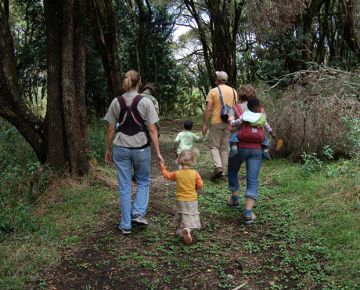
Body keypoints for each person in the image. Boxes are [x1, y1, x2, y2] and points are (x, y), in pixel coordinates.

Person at [104, 69, 164, 235]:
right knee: (143, 181)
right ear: (139, 83)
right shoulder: (146, 102)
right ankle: (137, 213)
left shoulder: (116, 102)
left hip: (121, 148)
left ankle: (125, 225)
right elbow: (152, 129)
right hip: (141, 148)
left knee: (124, 186)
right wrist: (158, 152)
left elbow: (110, 129)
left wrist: (108, 149)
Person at [227, 96, 267, 226]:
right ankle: (248, 213)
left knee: (233, 170)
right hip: (256, 149)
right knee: (252, 178)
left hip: (239, 146)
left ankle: (235, 199)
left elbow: (232, 128)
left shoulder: (236, 108)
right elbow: (265, 126)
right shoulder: (260, 109)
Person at [160, 149, 203, 245]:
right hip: (191, 199)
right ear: (192, 161)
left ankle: (181, 231)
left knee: (182, 214)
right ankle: (188, 229)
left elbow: (167, 175)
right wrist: (196, 188)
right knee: (191, 214)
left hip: (180, 199)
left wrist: (163, 167)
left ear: (179, 160)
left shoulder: (177, 173)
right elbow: (200, 184)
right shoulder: (195, 173)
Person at [202, 71, 237, 180]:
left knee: (214, 146)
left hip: (216, 122)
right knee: (224, 148)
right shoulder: (234, 91)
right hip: (229, 122)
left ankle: (218, 167)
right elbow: (235, 108)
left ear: (217, 80)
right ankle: (224, 172)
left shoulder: (213, 91)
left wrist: (205, 124)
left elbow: (208, 108)